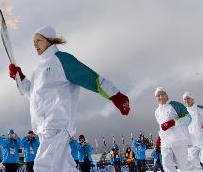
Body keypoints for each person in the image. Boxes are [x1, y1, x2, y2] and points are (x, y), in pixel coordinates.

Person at [8, 25, 130, 172]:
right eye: (34, 41)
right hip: (43, 126)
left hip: (57, 123)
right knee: (65, 167)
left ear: (49, 40)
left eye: (38, 40)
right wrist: (20, 78)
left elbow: (89, 77)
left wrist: (115, 95)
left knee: (44, 166)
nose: (35, 44)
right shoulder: (38, 68)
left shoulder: (62, 60)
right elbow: (33, 95)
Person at [154, 87, 198, 172]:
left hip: (179, 140)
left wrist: (173, 122)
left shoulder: (175, 105)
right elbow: (161, 127)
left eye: (162, 94)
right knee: (167, 165)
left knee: (183, 166)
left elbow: (188, 118)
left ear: (167, 95)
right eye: (157, 96)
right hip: (165, 143)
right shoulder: (157, 112)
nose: (160, 97)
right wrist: (159, 140)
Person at [183, 92, 203, 170]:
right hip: (191, 142)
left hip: (201, 139)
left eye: (188, 98)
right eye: (185, 99)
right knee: (193, 162)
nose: (186, 100)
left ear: (193, 99)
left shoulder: (200, 109)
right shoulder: (184, 113)